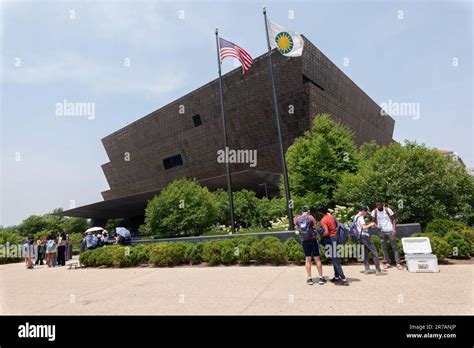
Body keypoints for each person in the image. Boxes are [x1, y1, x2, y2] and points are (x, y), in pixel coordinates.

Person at [317, 205, 349, 286]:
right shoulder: (330, 216)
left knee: (335, 259)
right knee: (335, 257)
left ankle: (343, 278)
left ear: (320, 212)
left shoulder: (323, 220)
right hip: (337, 237)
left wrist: (321, 235)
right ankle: (336, 276)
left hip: (331, 239)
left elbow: (327, 232)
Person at [294, 205, 326, 285]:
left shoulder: (298, 219)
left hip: (304, 241)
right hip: (312, 240)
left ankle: (309, 279)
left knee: (307, 259)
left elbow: (296, 229)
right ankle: (321, 278)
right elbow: (315, 227)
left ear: (302, 211)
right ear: (308, 211)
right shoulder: (311, 217)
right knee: (317, 259)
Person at [371, 201, 402, 270]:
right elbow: (372, 221)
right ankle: (387, 262)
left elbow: (394, 219)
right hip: (381, 232)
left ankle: (398, 263)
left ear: (382, 204)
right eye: (377, 205)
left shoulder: (388, 210)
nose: (378, 206)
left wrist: (394, 229)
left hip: (390, 230)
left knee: (394, 247)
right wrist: (376, 226)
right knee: (384, 248)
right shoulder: (374, 211)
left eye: (379, 204)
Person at [354, 206, 385, 275]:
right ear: (363, 211)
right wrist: (371, 224)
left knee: (365, 253)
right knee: (374, 252)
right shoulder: (361, 218)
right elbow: (364, 227)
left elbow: (359, 227)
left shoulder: (356, 217)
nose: (366, 214)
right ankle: (378, 270)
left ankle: (367, 269)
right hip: (365, 236)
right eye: (366, 212)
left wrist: (368, 225)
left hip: (360, 236)